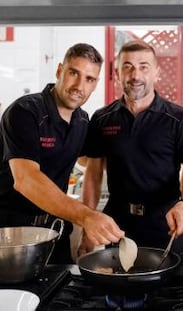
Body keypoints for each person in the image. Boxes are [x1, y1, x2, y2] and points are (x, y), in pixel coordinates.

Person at [0, 43, 124, 264]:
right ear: (59, 71)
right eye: (73, 73)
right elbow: (26, 179)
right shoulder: (25, 112)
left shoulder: (82, 120)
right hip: (12, 235)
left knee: (60, 295)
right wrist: (87, 216)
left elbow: (90, 162)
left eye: (89, 79)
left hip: (56, 232)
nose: (79, 85)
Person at [80, 40, 183, 256]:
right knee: (118, 287)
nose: (135, 75)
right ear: (118, 73)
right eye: (127, 67)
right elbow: (93, 175)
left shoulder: (179, 119)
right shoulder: (102, 119)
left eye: (143, 67)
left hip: (166, 226)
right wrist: (86, 231)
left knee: (170, 288)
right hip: (117, 227)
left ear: (156, 72)